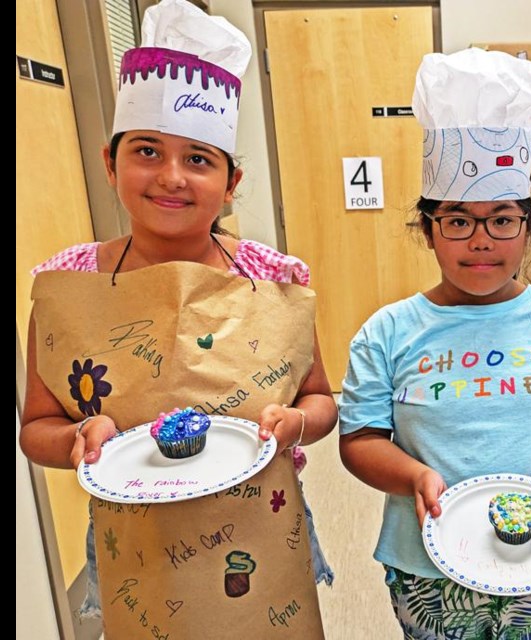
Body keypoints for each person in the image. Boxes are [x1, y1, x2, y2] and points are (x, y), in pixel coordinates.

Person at [19, 1, 335, 636]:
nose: (171, 177)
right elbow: (37, 425)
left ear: (230, 180)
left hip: (260, 524)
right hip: (137, 541)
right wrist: (77, 440)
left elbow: (322, 399)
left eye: (198, 158)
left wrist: (297, 422)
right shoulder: (71, 283)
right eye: (146, 151)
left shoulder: (274, 279)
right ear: (111, 165)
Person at [338, 48, 531, 638]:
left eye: (501, 218)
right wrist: (416, 477)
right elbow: (360, 439)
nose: (481, 240)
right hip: (427, 559)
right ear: (429, 229)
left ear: (526, 225)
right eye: (457, 219)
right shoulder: (388, 330)